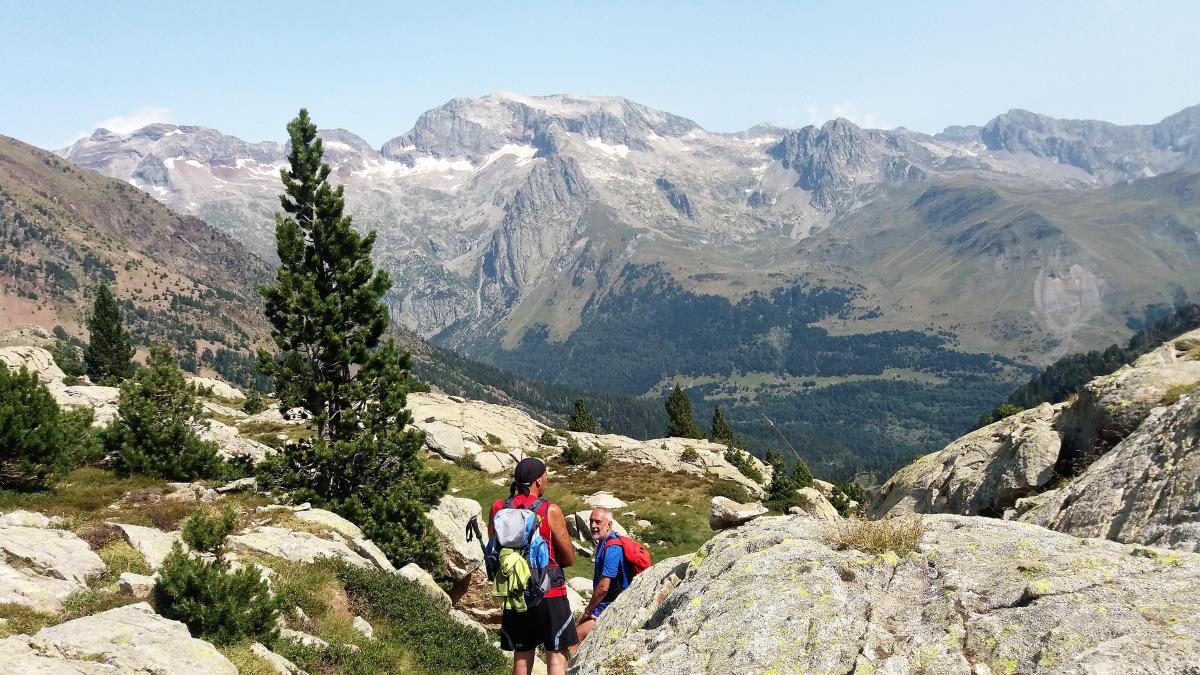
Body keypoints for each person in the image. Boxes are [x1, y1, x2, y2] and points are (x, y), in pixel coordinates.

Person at [489, 458, 577, 675]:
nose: (546, 479)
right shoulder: (550, 510)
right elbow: (568, 558)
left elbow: (496, 548)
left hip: (515, 592)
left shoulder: (499, 508)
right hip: (549, 592)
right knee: (556, 655)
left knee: (522, 657)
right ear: (538, 480)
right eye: (545, 475)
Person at [575, 506, 632, 646]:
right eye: (591, 521)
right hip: (604, 605)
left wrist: (589, 609)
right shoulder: (604, 541)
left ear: (609, 525)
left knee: (572, 640)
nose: (593, 525)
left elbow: (603, 588)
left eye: (598, 522)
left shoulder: (612, 548)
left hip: (608, 608)